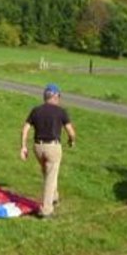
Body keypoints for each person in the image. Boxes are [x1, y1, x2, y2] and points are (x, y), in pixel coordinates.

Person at [20, 83, 76, 218]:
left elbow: (25, 129)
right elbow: (71, 132)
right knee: (50, 176)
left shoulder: (36, 110)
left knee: (48, 172)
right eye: (59, 96)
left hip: (38, 148)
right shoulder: (61, 111)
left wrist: (23, 147)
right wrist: (71, 140)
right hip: (53, 147)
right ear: (55, 96)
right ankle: (46, 210)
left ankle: (54, 196)